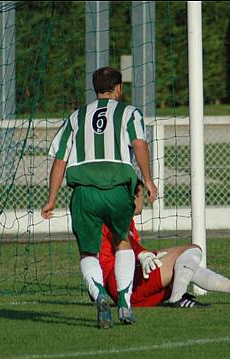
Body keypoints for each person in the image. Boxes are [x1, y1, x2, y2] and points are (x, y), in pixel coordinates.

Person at [41, 67, 157, 329]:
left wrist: (51, 199)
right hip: (118, 189)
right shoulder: (129, 112)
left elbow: (59, 160)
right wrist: (148, 180)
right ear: (118, 88)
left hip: (84, 191)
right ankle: (124, 303)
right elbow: (139, 144)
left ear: (95, 89)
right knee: (122, 242)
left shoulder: (76, 117)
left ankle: (100, 294)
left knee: (88, 251)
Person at [98, 180, 230, 308]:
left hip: (127, 289)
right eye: (142, 195)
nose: (145, 199)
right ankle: (178, 298)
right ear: (133, 197)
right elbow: (128, 244)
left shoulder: (123, 218)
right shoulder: (115, 218)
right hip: (121, 283)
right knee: (193, 250)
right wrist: (144, 253)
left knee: (184, 267)